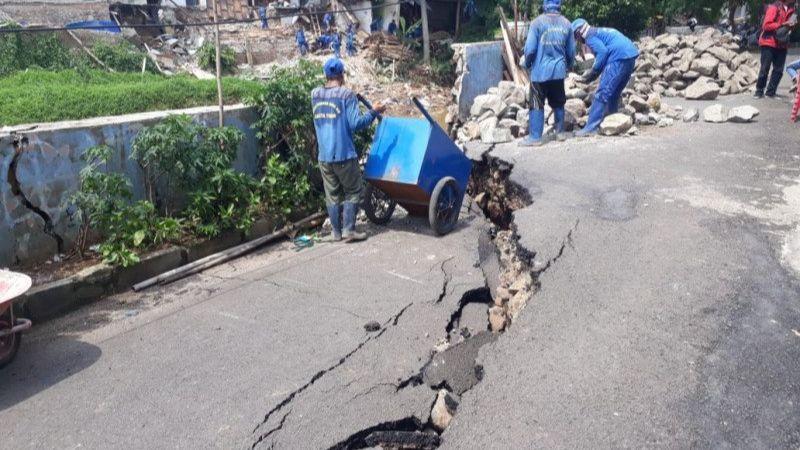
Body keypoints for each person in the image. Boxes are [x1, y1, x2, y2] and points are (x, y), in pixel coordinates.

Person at [312, 58, 385, 242]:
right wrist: (373, 111)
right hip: (344, 154)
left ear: (326, 75)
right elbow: (356, 123)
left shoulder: (315, 94)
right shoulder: (346, 95)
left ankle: (335, 232)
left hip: (324, 156)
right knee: (353, 191)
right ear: (342, 75)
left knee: (332, 194)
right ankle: (349, 230)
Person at [518, 0, 575, 147]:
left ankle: (535, 137)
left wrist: (528, 63)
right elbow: (571, 52)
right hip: (558, 71)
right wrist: (566, 66)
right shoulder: (567, 24)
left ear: (544, 6)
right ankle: (560, 132)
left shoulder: (537, 23)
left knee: (537, 102)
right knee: (559, 101)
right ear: (559, 5)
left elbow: (530, 50)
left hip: (539, 73)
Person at [571, 18, 639, 137]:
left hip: (619, 57)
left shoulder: (590, 36)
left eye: (575, 37)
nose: (577, 40)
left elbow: (602, 52)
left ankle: (590, 127)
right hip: (630, 56)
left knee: (602, 93)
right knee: (614, 92)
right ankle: (612, 121)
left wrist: (593, 72)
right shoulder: (599, 31)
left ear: (578, 32)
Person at [755, 0, 797, 98]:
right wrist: (782, 24)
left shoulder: (792, 9)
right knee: (765, 68)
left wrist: (791, 25)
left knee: (778, 70)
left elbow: (787, 28)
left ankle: (770, 92)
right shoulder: (774, 7)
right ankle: (759, 91)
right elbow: (766, 25)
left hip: (782, 43)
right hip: (769, 42)